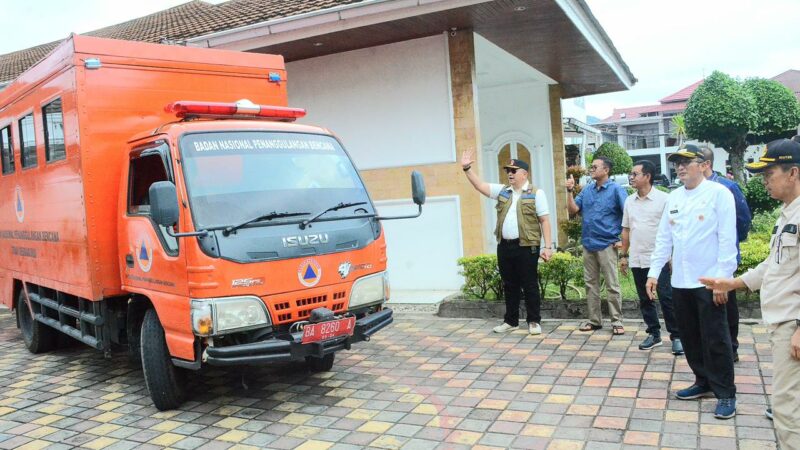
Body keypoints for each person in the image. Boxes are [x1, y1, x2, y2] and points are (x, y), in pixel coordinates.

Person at [699, 137, 800, 446]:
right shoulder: (788, 213)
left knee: (787, 408)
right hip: (784, 323)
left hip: (793, 326)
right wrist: (734, 283)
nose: (765, 182)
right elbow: (774, 264)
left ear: (793, 172)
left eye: (770, 175)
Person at [645, 146, 738, 419]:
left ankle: (725, 393)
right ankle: (703, 381)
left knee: (716, 339)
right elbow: (664, 239)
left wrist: (723, 280)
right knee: (690, 336)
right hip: (681, 281)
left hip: (709, 281)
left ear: (704, 164)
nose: (680, 167)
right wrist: (653, 273)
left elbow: (727, 240)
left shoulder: (719, 194)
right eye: (677, 163)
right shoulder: (673, 198)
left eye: (687, 162)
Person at [461, 151, 554, 335]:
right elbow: (480, 186)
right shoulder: (503, 191)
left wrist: (548, 247)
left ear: (524, 174)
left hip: (527, 246)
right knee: (509, 284)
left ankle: (534, 321)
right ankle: (510, 321)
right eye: (508, 171)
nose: (510, 174)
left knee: (529, 285)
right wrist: (467, 169)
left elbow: (544, 220)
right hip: (505, 246)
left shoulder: (536, 193)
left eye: (514, 170)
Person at [620, 160, 683, 355]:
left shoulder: (665, 199)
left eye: (635, 174)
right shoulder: (629, 201)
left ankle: (677, 336)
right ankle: (654, 334)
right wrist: (623, 255)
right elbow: (626, 229)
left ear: (647, 177)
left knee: (666, 298)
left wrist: (672, 256)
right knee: (645, 299)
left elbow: (673, 229)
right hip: (637, 258)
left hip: (659, 258)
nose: (631, 177)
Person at [697, 145, 752, 361]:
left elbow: (743, 220)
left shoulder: (727, 187)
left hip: (723, 255)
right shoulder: (688, 190)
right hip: (700, 258)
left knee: (726, 301)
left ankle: (732, 347)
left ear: (705, 164)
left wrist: (729, 242)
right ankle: (710, 347)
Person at [566, 156, 628, 335]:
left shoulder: (616, 190)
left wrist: (621, 240)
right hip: (588, 243)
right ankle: (595, 321)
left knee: (612, 285)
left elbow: (627, 215)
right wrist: (570, 191)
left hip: (608, 244)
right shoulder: (587, 190)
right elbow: (573, 210)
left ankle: (617, 321)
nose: (591, 169)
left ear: (606, 170)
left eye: (594, 167)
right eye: (591, 167)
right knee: (590, 284)